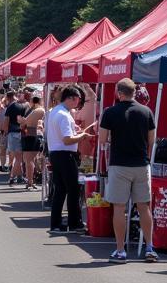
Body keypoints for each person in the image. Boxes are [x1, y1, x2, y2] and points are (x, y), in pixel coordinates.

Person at [99, 78, 157, 264]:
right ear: (134, 93)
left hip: (119, 164)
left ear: (119, 93)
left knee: (119, 207)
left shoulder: (110, 112)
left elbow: (102, 139)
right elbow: (152, 140)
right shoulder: (146, 111)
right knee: (144, 207)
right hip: (141, 164)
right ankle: (149, 247)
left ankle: (120, 250)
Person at [45, 85, 92, 234]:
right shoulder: (64, 115)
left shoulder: (54, 112)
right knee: (72, 189)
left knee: (60, 190)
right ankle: (74, 223)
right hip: (65, 154)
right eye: (77, 100)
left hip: (56, 153)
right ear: (71, 98)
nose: (78, 103)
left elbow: (63, 135)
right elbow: (67, 139)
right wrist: (82, 136)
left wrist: (76, 132)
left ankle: (56, 224)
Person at [21, 94, 45, 191]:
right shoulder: (37, 110)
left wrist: (22, 121)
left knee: (28, 159)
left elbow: (25, 122)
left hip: (32, 135)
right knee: (30, 159)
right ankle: (30, 180)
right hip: (32, 135)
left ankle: (30, 181)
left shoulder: (38, 110)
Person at [4, 91, 29, 184]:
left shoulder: (12, 106)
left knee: (17, 157)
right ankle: (20, 176)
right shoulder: (27, 106)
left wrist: (5, 132)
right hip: (24, 132)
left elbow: (6, 120)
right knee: (21, 157)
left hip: (14, 133)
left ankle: (12, 177)